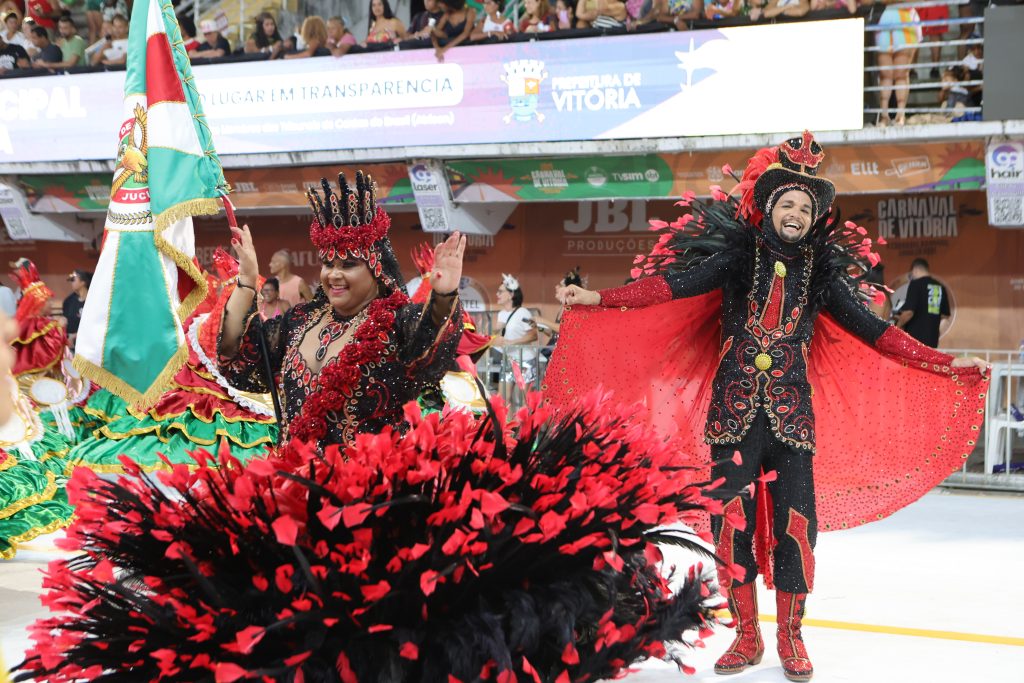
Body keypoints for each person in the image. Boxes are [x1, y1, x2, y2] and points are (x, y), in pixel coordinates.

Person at [553, 132, 989, 682]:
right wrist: (599, 299)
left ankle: (790, 636)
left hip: (792, 423)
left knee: (796, 527)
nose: (797, 213)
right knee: (730, 524)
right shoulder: (739, 258)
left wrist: (944, 364)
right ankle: (747, 635)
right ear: (768, 207)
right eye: (788, 203)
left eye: (806, 208)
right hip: (733, 418)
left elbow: (875, 331)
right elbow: (675, 286)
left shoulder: (821, 274)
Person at [218, 171, 466, 447]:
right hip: (294, 481)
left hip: (370, 485)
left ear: (376, 269)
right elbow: (239, 360)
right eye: (328, 264)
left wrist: (443, 295)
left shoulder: (398, 324)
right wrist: (247, 281)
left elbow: (432, 348)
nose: (334, 275)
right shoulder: (300, 321)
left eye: (348, 265)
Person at [874, 0, 920, 126]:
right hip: (886, 18)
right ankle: (884, 116)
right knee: (885, 74)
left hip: (905, 16)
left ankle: (900, 115)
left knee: (901, 73)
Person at [896, 258, 950, 348]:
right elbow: (945, 316)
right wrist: (934, 329)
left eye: (912, 274)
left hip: (914, 341)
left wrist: (898, 325)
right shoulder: (940, 287)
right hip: (932, 341)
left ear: (915, 270)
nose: (912, 276)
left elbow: (909, 312)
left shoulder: (915, 284)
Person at [61, 269, 90, 348]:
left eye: (73, 279)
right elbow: (64, 318)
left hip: (87, 343)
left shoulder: (92, 301)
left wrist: (75, 335)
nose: (71, 282)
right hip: (70, 344)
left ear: (83, 282)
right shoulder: (69, 300)